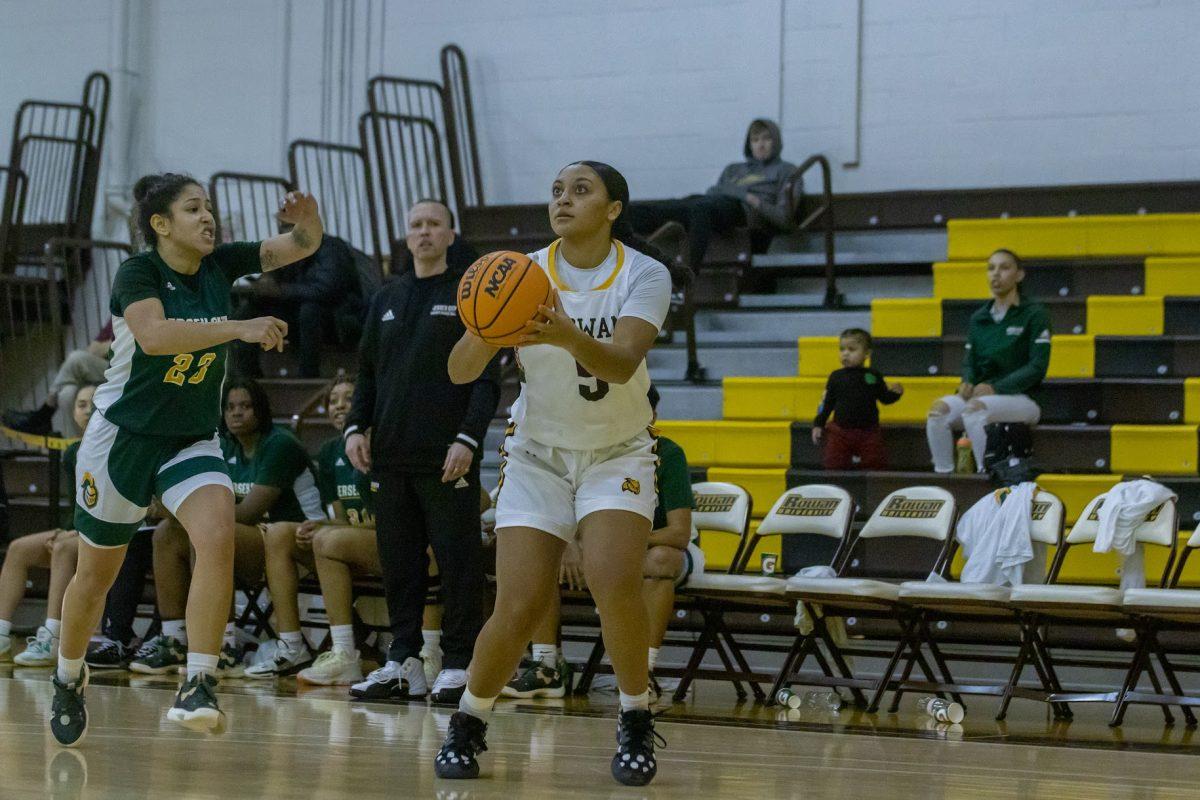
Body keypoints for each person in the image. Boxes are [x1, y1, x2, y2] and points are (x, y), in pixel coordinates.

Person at [48, 172, 321, 747]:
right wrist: (240, 326)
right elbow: (153, 337)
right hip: (122, 440)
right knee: (95, 577)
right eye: (193, 209)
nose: (207, 217)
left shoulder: (221, 264)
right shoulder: (138, 273)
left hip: (191, 437)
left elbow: (299, 247)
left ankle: (198, 680)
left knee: (217, 533)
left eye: (209, 208)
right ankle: (69, 675)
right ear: (161, 224)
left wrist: (309, 221)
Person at [432, 161, 672, 787]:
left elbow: (620, 366)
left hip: (617, 449)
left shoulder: (645, 274)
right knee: (518, 600)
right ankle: (469, 719)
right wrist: (486, 330)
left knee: (613, 579)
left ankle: (635, 716)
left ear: (614, 207)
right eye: (557, 191)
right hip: (538, 451)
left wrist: (564, 332)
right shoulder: (519, 271)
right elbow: (459, 372)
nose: (563, 200)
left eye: (581, 191)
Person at [343, 199, 499, 705]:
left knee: (458, 563)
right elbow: (366, 374)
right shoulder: (386, 297)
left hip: (447, 456)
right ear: (406, 237)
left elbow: (486, 381)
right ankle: (402, 660)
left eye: (434, 223)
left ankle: (458, 663)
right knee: (400, 566)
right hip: (390, 455)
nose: (425, 232)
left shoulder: (469, 296)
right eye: (416, 225)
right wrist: (353, 428)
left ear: (451, 234)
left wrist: (468, 439)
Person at [502, 384, 700, 703]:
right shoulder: (584, 451)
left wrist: (617, 545)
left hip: (662, 551)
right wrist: (570, 545)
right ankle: (546, 666)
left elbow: (678, 533)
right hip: (600, 551)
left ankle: (642, 671)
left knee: (659, 560)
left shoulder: (668, 454)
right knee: (542, 560)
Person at [139, 377, 323, 678]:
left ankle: (223, 648)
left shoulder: (281, 445)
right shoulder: (224, 447)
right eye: (230, 407)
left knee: (207, 532)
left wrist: (174, 509)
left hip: (292, 545)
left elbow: (248, 513)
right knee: (167, 534)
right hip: (246, 541)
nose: (236, 413)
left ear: (261, 410)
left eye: (246, 406)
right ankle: (174, 639)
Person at [926, 249, 1051, 473]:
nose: (996, 274)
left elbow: (1037, 367)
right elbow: (970, 361)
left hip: (1022, 398)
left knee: (974, 409)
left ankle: (987, 475)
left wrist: (996, 388)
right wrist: (967, 381)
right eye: (991, 268)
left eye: (1004, 268)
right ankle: (943, 476)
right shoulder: (979, 317)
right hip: (983, 394)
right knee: (938, 412)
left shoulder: (1034, 313)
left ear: (1019, 275)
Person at [0, 384, 96, 665]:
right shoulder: (73, 452)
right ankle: (3, 635)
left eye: (93, 403)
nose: (88, 410)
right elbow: (79, 504)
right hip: (79, 529)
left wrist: (73, 533)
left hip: (108, 532)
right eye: (81, 404)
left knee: (64, 548)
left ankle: (53, 637)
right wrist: (66, 530)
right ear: (73, 412)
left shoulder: (115, 447)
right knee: (19, 549)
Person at [626, 119, 798, 276]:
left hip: (744, 212)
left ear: (776, 141)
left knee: (701, 208)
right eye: (755, 140)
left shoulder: (787, 170)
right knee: (648, 209)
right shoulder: (734, 169)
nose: (761, 145)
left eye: (766, 139)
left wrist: (751, 199)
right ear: (750, 144)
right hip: (714, 204)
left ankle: (687, 277)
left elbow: (784, 218)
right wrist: (733, 192)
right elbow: (714, 193)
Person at [230, 231, 365, 379]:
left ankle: (308, 377)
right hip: (299, 316)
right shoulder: (286, 247)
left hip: (336, 320)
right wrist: (267, 278)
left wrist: (279, 290)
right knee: (247, 312)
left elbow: (326, 290)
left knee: (310, 310)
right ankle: (248, 379)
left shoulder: (330, 248)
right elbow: (275, 280)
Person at [812, 329, 904, 470]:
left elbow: (884, 398)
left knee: (875, 462)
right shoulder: (836, 376)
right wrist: (819, 423)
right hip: (840, 431)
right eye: (842, 349)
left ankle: (872, 487)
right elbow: (827, 403)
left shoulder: (873, 375)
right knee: (833, 463)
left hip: (869, 431)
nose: (845, 353)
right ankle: (835, 487)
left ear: (867, 353)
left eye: (852, 349)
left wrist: (895, 394)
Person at [3, 322, 112, 436]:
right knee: (67, 393)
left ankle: (43, 415)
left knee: (75, 358)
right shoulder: (116, 317)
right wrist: (111, 346)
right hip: (101, 372)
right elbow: (92, 350)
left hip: (122, 374)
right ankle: (76, 447)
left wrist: (109, 347)